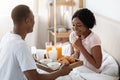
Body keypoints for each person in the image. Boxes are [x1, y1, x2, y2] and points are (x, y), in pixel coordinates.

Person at [0, 5, 71, 80]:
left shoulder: (7, 36)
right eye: (33, 19)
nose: (34, 22)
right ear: (27, 21)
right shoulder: (21, 45)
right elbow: (35, 78)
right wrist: (60, 72)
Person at [69, 8, 102, 73]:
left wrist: (81, 47)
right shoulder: (73, 35)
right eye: (73, 25)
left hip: (90, 73)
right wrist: (77, 52)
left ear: (87, 24)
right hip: (77, 70)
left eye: (79, 25)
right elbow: (72, 57)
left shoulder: (94, 39)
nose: (75, 28)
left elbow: (97, 65)